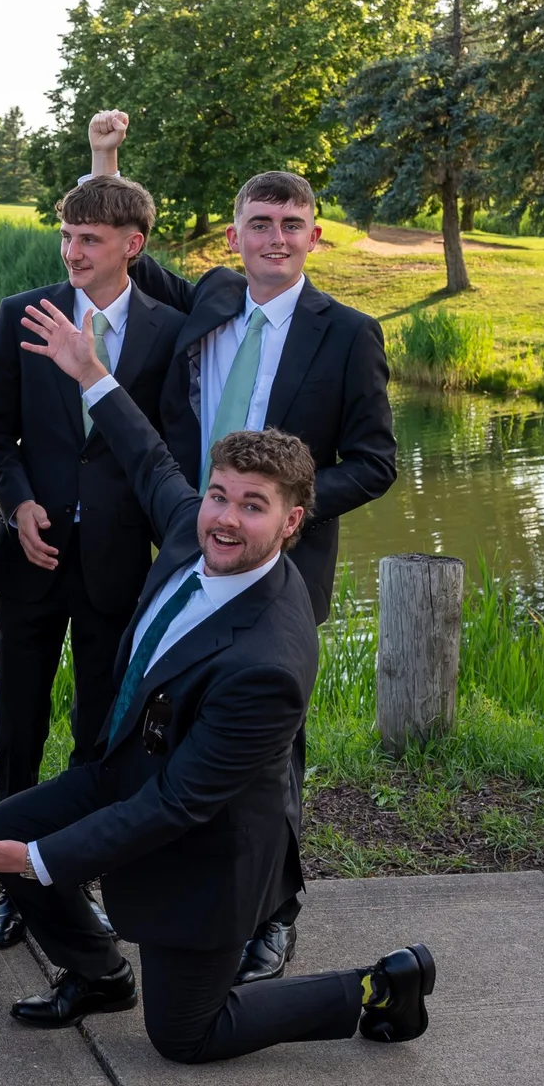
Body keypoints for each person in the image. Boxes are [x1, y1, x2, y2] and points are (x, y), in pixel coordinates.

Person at [0, 296, 434, 1061]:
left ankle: (373, 985)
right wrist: (91, 371)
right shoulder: (187, 530)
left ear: (294, 523)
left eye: (254, 507)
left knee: (185, 1034)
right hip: (131, 769)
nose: (225, 519)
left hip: (208, 844)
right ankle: (100, 973)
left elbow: (177, 804)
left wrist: (40, 862)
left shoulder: (266, 661)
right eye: (219, 495)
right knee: (7, 826)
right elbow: (149, 457)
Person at [90, 111, 397, 985]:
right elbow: (125, 251)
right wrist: (106, 156)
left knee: (270, 759)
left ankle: (276, 912)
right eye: (258, 224)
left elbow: (377, 462)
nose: (274, 238)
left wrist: (280, 510)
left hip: (282, 573)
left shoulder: (348, 333)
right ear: (235, 234)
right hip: (188, 554)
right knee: (162, 726)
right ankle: (164, 884)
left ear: (315, 236)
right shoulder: (213, 300)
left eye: (290, 224)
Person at [0, 174, 185, 952]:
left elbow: (165, 447)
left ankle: (73, 876)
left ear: (133, 245)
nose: (72, 251)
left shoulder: (170, 331)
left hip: (119, 564)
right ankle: (8, 886)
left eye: (89, 239)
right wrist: (19, 500)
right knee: (14, 728)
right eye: (66, 235)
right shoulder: (25, 313)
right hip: (31, 557)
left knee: (98, 733)